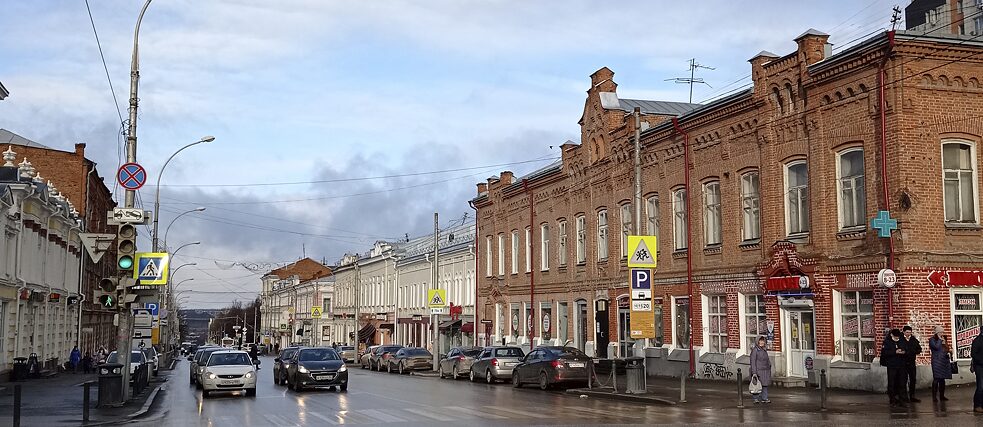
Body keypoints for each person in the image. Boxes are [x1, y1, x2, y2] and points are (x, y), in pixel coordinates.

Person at [883, 329, 908, 407]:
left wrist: (904, 351)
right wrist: (894, 352)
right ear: (891, 335)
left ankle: (902, 400)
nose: (897, 338)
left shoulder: (902, 340)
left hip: (901, 365)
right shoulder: (887, 342)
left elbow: (907, 348)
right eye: (895, 337)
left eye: (898, 337)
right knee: (892, 383)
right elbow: (885, 353)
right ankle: (892, 400)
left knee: (902, 383)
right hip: (892, 365)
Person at [929, 326, 952, 402]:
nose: (942, 333)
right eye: (941, 332)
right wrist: (939, 340)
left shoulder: (943, 339)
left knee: (942, 379)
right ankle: (934, 397)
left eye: (943, 332)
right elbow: (936, 347)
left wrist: (949, 350)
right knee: (936, 378)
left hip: (944, 361)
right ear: (937, 332)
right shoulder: (932, 340)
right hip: (936, 361)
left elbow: (946, 348)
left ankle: (942, 396)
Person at [902, 325, 922, 402]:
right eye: (907, 332)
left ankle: (912, 396)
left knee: (913, 379)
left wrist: (914, 351)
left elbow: (919, 349)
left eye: (910, 332)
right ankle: (904, 396)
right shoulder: (901, 339)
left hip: (911, 362)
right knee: (903, 380)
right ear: (904, 332)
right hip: (903, 362)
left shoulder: (913, 339)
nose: (908, 334)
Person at [749, 336, 772, 404]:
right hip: (758, 370)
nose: (762, 342)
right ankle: (756, 398)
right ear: (757, 342)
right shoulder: (755, 351)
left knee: (765, 384)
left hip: (765, 370)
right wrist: (754, 372)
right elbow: (753, 362)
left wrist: (769, 365)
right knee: (757, 385)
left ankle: (764, 398)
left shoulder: (764, 350)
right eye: (760, 341)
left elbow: (767, 359)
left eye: (763, 341)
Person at [972, 326, 983, 413]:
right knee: (980, 386)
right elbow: (974, 354)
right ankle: (977, 405)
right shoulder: (977, 341)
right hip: (979, 366)